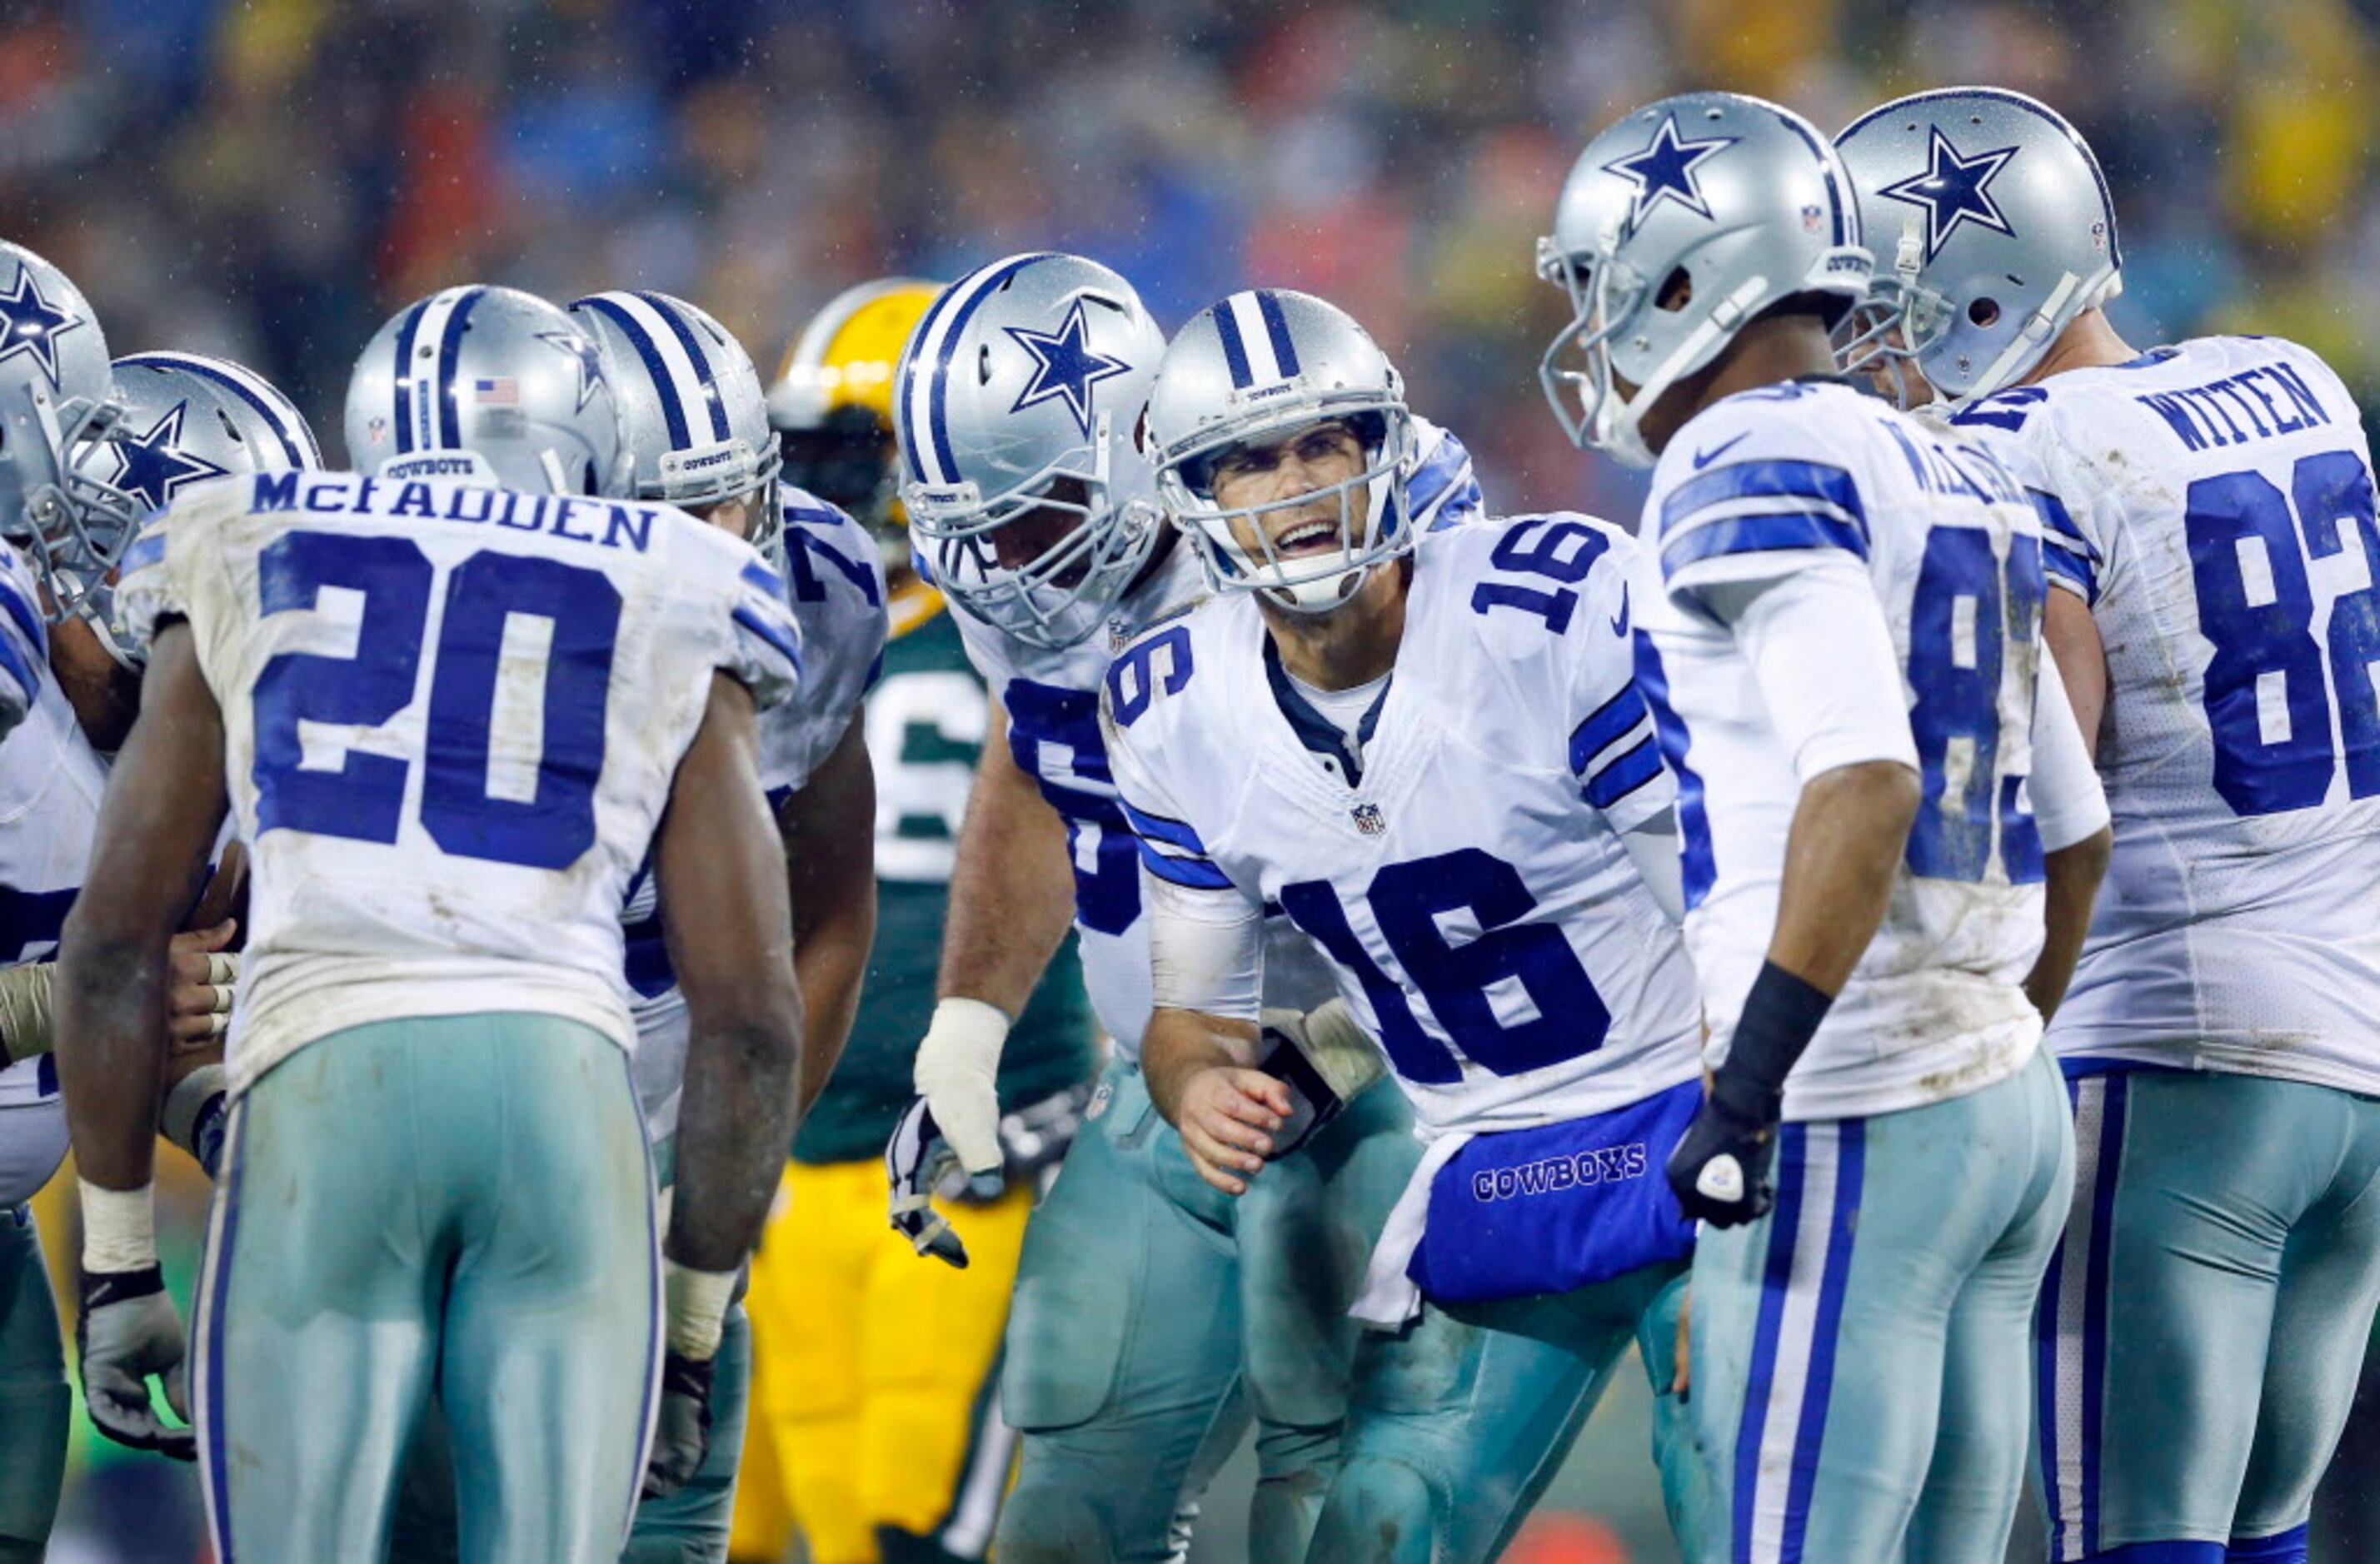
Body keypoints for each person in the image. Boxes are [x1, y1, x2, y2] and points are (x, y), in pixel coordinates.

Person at [55, 283, 806, 1562]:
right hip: (565, 1104)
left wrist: (123, 1257)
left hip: (326, 1098)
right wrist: (689, 1324)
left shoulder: (247, 537)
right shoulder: (673, 577)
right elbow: (751, 1020)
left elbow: (115, 942)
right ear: (594, 437)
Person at [1539, 92, 2111, 1560]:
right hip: (2000, 1104)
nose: (1592, 332)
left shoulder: (1734, 461)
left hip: (1848, 1097)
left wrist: (1747, 1097)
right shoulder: (1955, 452)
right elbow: (2074, 821)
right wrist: (1995, 1039)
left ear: (1680, 282)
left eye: (1602, 289)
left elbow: (1864, 776)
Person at [1839, 87, 2380, 1564]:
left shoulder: (2009, 453)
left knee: (2134, 1544)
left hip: (2171, 1049)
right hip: (2359, 1042)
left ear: (1971, 285)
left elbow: (2050, 752)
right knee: (2273, 1537)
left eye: (1876, 305)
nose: (1861, 348)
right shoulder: (2291, 376)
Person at [883, 252, 1479, 1562]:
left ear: (1145, 449)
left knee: (1344, 1508)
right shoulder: (1038, 591)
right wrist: (970, 1021)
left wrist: (1343, 1042)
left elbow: (1472, 831)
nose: (994, 567)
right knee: (1068, 1511)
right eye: (966, 527)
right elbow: (1041, 759)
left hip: (1388, 1081)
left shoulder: (1342, 529)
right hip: (1171, 1083)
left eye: (1030, 519)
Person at [1108, 286, 1708, 1564]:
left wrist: (1764, 1179)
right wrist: (1195, 1090)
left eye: (1326, 440)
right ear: (1188, 494)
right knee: (1381, 1521)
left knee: (1740, 1481)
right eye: (1249, 458)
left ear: (1386, 446)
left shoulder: (1549, 610)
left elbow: (1732, 912)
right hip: (1488, 1168)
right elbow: (1193, 1017)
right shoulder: (1172, 707)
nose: (1298, 483)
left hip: (1694, 1122)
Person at [732, 276, 1100, 1564]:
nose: (817, 499)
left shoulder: (1027, 632)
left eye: (847, 459)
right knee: (776, 1522)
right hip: (790, 1147)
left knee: (916, 1523)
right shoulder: (770, 638)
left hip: (978, 1147)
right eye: (800, 464)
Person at [0, 256, 316, 1559]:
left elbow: (154, 1023)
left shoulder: (184, 737)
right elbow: (87, 991)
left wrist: (224, 1104)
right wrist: (72, 996)